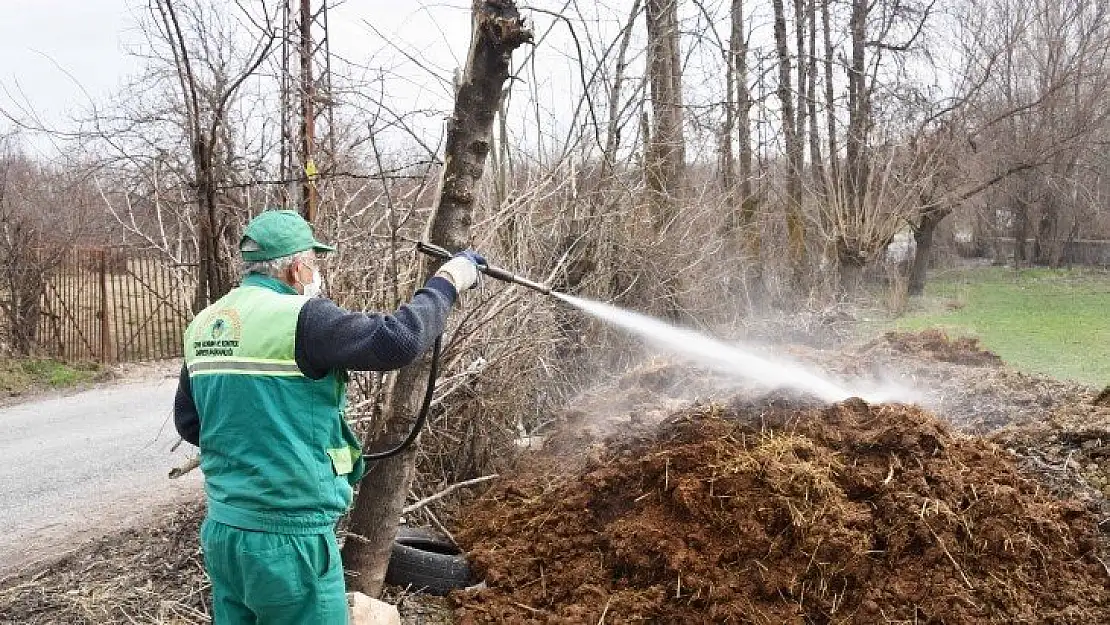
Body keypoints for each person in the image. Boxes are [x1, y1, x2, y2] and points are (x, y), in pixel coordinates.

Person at [173, 209, 483, 624]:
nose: (315, 274)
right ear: (298, 268)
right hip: (289, 541)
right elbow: (399, 340)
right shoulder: (301, 318)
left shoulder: (205, 324)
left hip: (225, 531)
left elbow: (190, 423)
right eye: (314, 263)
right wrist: (447, 282)